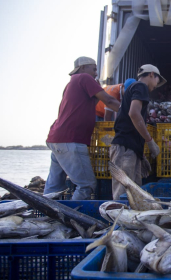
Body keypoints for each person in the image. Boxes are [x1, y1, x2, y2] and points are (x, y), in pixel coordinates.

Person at [44, 56, 121, 200]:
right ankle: (72, 217)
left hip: (56, 139)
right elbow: (109, 100)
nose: (96, 73)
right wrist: (128, 113)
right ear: (83, 68)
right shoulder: (84, 77)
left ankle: (46, 213)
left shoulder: (71, 84)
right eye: (94, 69)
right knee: (86, 185)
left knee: (54, 185)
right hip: (70, 140)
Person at [110, 64, 166, 200]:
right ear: (152, 74)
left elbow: (133, 123)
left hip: (130, 149)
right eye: (158, 80)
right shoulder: (141, 86)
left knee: (134, 196)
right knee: (123, 195)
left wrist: (140, 154)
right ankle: (119, 220)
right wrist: (150, 141)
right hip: (124, 148)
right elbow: (134, 114)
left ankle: (128, 221)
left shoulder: (134, 88)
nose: (157, 85)